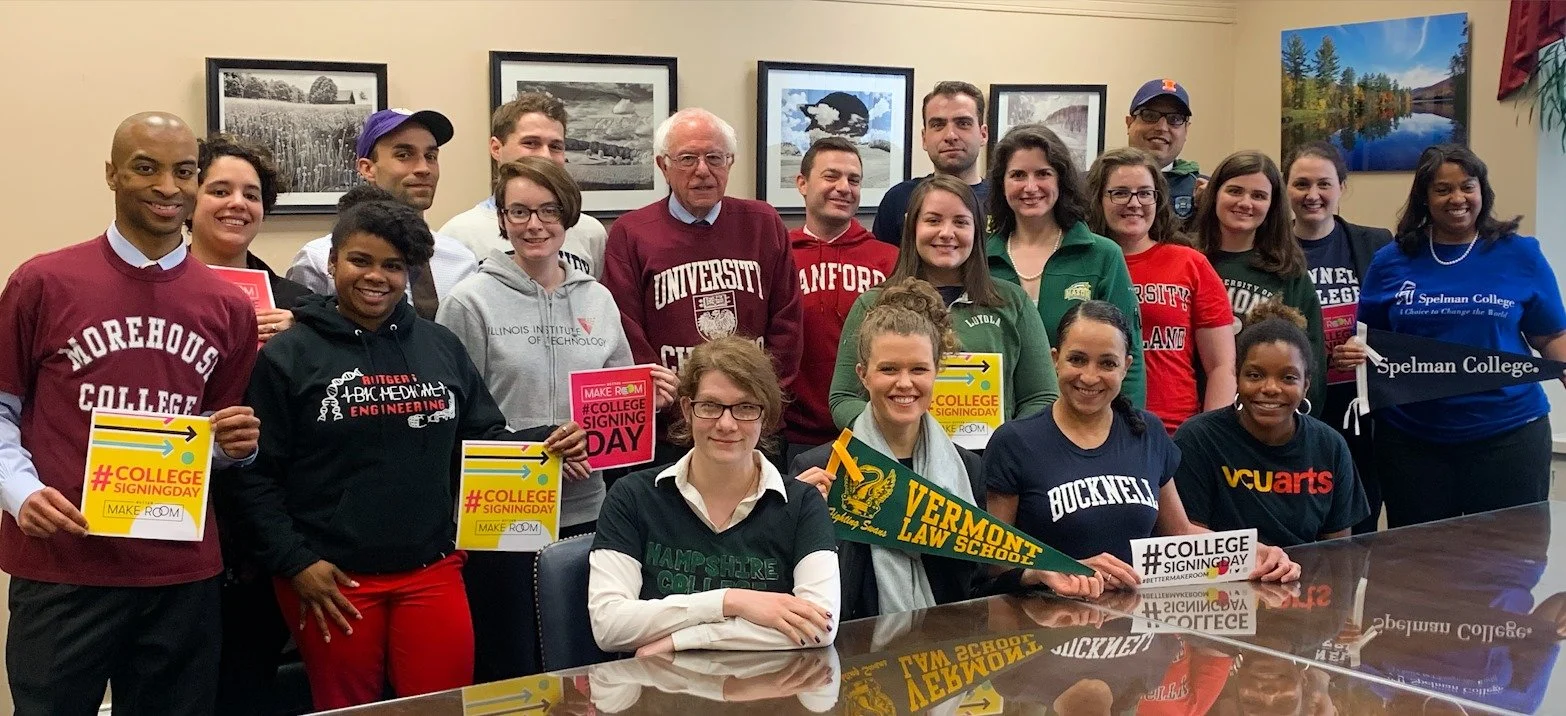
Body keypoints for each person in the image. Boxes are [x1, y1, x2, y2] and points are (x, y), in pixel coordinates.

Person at [230, 197, 589, 710]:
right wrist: (295, 562)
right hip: (331, 579)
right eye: (361, 260)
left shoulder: (439, 345)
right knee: (348, 708)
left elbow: (479, 438)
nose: (376, 276)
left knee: (444, 706)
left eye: (393, 266)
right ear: (332, 263)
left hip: (432, 568)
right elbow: (256, 473)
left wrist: (546, 440)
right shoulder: (290, 355)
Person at [0, 112, 262, 716]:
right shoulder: (44, 281)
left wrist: (234, 446)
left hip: (180, 572)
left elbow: (211, 437)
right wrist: (20, 491)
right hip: (65, 566)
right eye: (146, 168)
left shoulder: (227, 305)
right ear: (113, 174)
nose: (168, 187)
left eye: (184, 171)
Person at [437, 156, 676, 680]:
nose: (534, 225)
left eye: (548, 211)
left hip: (588, 507)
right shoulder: (469, 302)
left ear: (568, 217)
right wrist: (537, 446)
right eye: (518, 211)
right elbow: (453, 420)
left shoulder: (599, 298)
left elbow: (615, 407)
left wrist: (646, 398)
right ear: (501, 219)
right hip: (500, 508)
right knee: (510, 661)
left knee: (581, 661)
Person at [983, 301, 1299, 598]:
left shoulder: (1147, 431)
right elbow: (993, 565)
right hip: (1050, 626)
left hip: (1138, 627)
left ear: (1126, 367)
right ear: (1055, 359)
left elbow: (1179, 534)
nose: (1090, 376)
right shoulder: (1014, 442)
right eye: (1077, 359)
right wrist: (1049, 571)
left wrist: (1250, 552)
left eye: (1107, 363)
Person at [1339, 144, 1566, 528]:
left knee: (1508, 567)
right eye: (1443, 189)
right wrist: (1353, 352)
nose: (1457, 198)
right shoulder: (1392, 260)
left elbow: (1551, 335)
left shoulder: (1520, 254)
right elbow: (1369, 341)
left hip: (1509, 433)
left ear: (1482, 192)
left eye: (1468, 186)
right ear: (1424, 197)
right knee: (1420, 570)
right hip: (1412, 441)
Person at [588, 336, 840, 655]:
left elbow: (821, 627)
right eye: (710, 406)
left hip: (767, 696)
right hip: (660, 696)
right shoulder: (632, 495)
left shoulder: (803, 503)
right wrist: (731, 601)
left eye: (745, 407)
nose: (726, 423)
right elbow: (609, 626)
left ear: (766, 416)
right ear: (686, 409)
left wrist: (681, 640)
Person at [187, 133, 312, 716]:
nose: (237, 203)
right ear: (189, 198)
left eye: (252, 194)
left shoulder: (300, 305)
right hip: (175, 516)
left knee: (250, 686)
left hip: (264, 532)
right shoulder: (152, 293)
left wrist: (301, 345)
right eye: (219, 189)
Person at [600, 108, 802, 464]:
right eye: (687, 158)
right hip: (670, 432)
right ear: (663, 165)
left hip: (750, 425)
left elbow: (787, 322)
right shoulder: (631, 233)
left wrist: (762, 403)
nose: (702, 170)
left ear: (730, 162)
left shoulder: (763, 222)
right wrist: (672, 407)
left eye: (714, 158)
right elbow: (625, 330)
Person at [791, 279, 984, 620]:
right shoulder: (819, 467)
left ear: (938, 371)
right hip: (854, 655)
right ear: (863, 375)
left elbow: (977, 580)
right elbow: (797, 587)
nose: (905, 383)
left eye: (919, 369)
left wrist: (1034, 572)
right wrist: (802, 519)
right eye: (889, 369)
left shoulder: (967, 469)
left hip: (947, 652)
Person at [828, 175, 1058, 428]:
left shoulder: (1012, 302)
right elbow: (844, 399)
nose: (946, 233)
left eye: (961, 222)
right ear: (912, 226)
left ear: (977, 230)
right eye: (933, 220)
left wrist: (1006, 446)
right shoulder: (873, 304)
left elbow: (1042, 397)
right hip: (896, 463)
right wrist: (889, 438)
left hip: (990, 462)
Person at [1173, 302, 1369, 547]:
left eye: (1288, 378)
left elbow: (1339, 554)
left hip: (1307, 580)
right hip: (1222, 580)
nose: (1270, 389)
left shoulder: (1330, 446)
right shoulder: (1198, 439)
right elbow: (1188, 546)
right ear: (1237, 375)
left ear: (1306, 384)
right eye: (1255, 375)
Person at [984, 123, 1146, 407]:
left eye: (1044, 174)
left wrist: (1126, 430)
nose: (1030, 187)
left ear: (1062, 181)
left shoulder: (1102, 255)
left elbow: (1127, 359)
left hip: (1084, 422)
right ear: (1001, 184)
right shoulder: (980, 258)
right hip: (995, 428)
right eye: (1018, 175)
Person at [1285, 140, 1393, 535]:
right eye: (1301, 184)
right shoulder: (1271, 250)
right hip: (1300, 408)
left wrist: (1374, 348)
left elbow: (1398, 318)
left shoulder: (1376, 244)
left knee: (1359, 521)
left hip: (1361, 411)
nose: (1313, 195)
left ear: (1342, 187)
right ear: (1286, 189)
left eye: (1324, 184)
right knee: (1303, 517)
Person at [1087, 147, 1233, 434]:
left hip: (1176, 430)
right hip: (1094, 426)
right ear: (1098, 198)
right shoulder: (1082, 264)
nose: (1134, 203)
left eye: (1145, 193)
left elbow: (1221, 366)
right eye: (1119, 193)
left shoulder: (1190, 263)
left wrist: (1210, 435)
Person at [286, 108, 478, 318]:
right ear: (367, 168)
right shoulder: (319, 260)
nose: (424, 168)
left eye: (430, 156)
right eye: (404, 155)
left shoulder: (462, 260)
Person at [784, 137, 898, 460]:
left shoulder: (889, 259)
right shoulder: (779, 256)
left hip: (871, 430)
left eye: (854, 179)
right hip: (794, 433)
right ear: (802, 183)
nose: (844, 187)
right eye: (831, 176)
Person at [1194, 150, 1326, 417]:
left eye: (1258, 196)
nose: (1245, 203)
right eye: (1234, 191)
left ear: (1272, 205)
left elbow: (1312, 360)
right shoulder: (1187, 259)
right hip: (1189, 414)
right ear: (1214, 194)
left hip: (1265, 418)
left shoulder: (1289, 271)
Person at [438, 92, 608, 277]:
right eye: (531, 143)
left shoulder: (591, 233)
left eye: (555, 146)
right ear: (496, 148)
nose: (545, 156)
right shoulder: (459, 234)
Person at [871, 81, 989, 246]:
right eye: (938, 125)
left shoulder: (1004, 200)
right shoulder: (898, 199)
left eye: (963, 123)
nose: (950, 135)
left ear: (983, 134)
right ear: (924, 138)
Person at [1125, 78, 1204, 222]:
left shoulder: (1205, 192)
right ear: (1129, 124)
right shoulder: (1091, 186)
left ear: (1186, 131)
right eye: (1149, 115)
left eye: (1175, 119)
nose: (1161, 127)